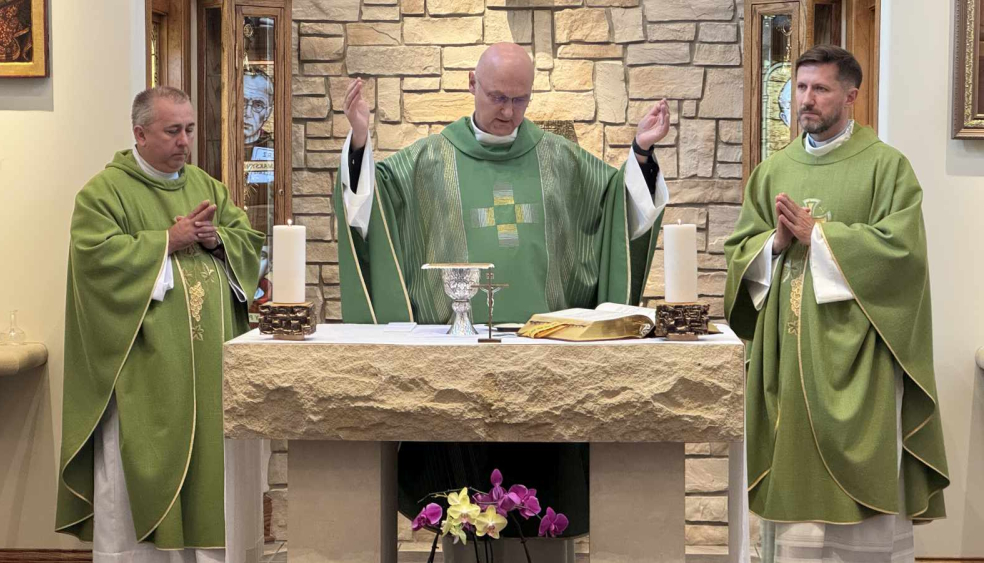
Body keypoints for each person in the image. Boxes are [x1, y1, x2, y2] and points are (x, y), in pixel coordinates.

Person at [332, 42, 671, 540]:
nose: (508, 112)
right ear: (472, 84)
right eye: (497, 97)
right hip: (455, 367)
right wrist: (360, 142)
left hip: (548, 365)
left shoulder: (561, 158)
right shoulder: (428, 159)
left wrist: (640, 153)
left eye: (519, 99)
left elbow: (618, 203)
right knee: (462, 501)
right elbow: (370, 205)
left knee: (545, 501)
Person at [723, 45, 949, 562]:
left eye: (820, 89)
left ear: (851, 96)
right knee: (793, 522)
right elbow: (740, 251)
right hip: (786, 356)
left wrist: (821, 237)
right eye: (800, 88)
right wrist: (774, 244)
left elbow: (903, 254)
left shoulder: (887, 167)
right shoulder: (773, 170)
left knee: (862, 520)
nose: (807, 99)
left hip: (860, 361)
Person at [56, 86, 265, 562]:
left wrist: (217, 240)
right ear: (139, 133)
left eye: (189, 129)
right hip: (145, 377)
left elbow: (247, 241)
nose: (184, 142)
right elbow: (94, 260)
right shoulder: (103, 193)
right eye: (172, 131)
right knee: (136, 491)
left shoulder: (206, 186)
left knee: (213, 485)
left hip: (210, 374)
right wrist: (166, 241)